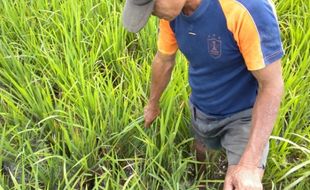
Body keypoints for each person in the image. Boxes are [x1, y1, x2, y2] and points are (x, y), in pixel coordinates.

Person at [122, 0, 284, 189]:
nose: (152, 13)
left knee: (240, 183)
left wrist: (248, 166)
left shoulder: (246, 8)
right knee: (201, 154)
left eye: (153, 6)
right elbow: (164, 60)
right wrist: (152, 104)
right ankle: (202, 182)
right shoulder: (172, 15)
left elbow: (272, 85)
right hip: (202, 106)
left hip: (244, 115)